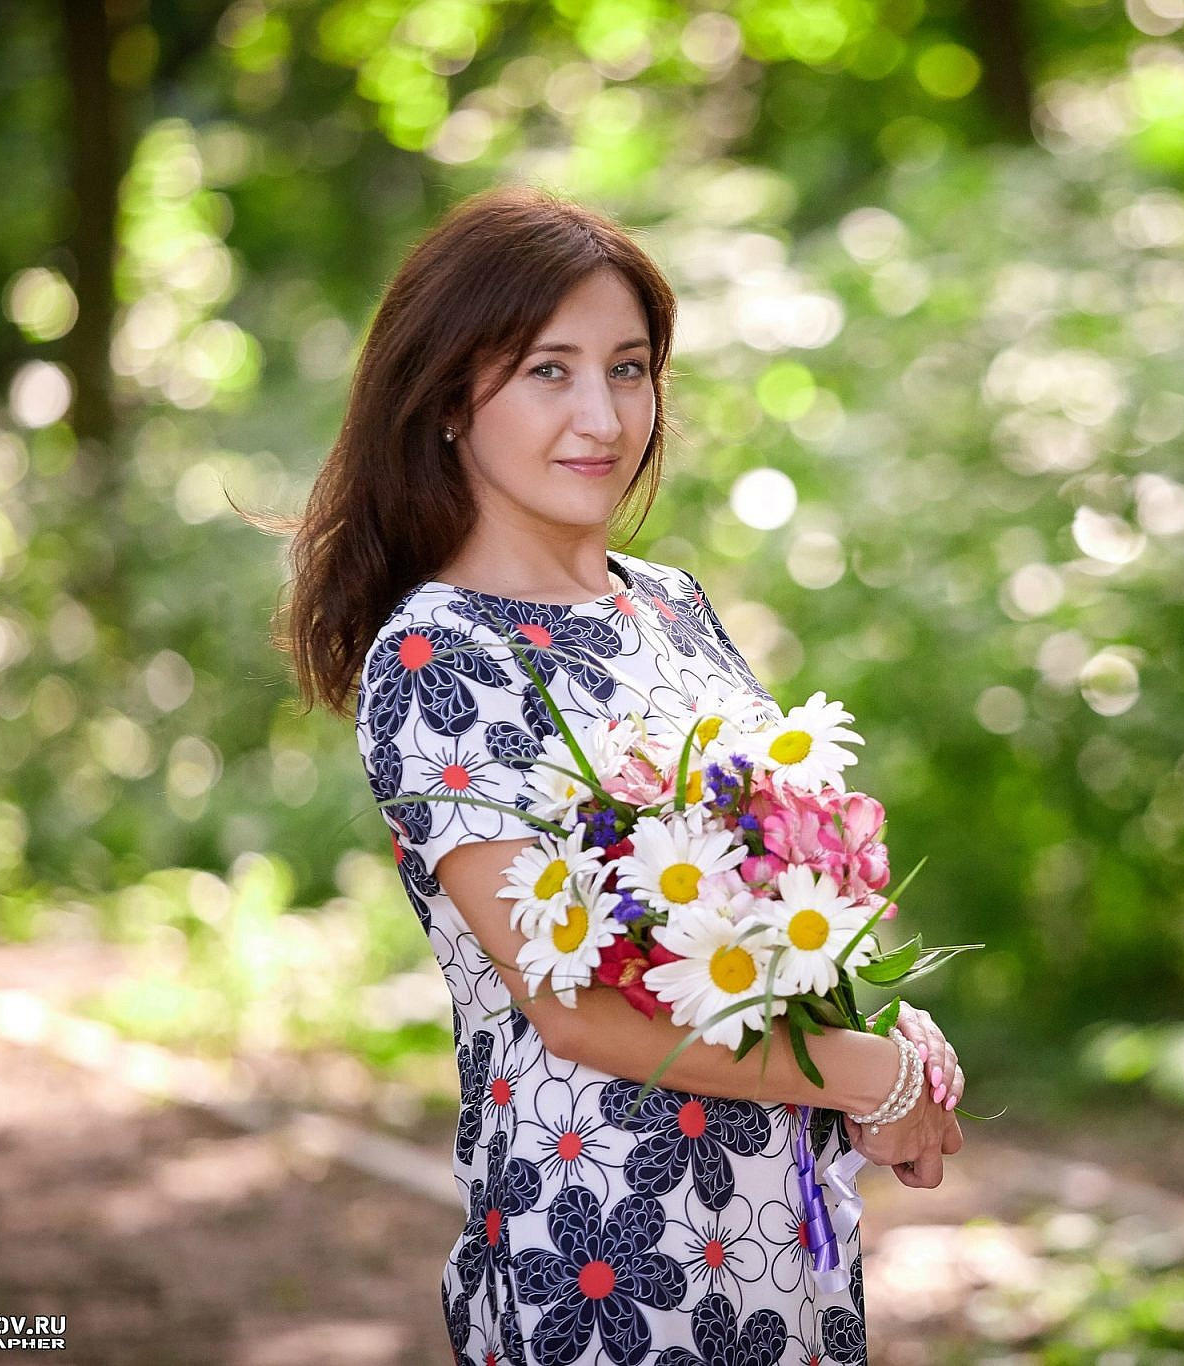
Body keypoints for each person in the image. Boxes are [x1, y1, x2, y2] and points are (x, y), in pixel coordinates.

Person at [272, 185, 964, 1365]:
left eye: (629, 368)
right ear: (447, 400)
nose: (601, 414)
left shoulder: (671, 606)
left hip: (774, 1227)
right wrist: (862, 1072)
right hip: (601, 1242)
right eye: (549, 370)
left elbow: (763, 897)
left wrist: (890, 1026)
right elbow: (566, 1002)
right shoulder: (440, 653)